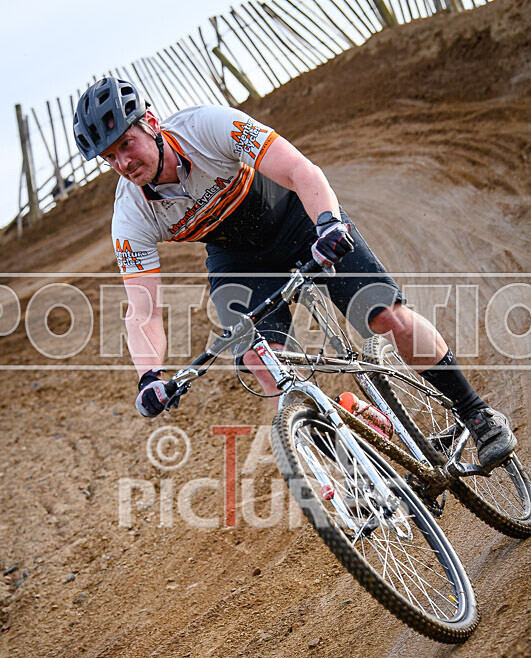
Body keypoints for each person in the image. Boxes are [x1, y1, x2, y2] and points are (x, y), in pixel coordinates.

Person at [74, 77, 516, 471]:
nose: (123, 164)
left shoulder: (208, 127)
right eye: (109, 158)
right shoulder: (130, 217)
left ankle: (476, 413)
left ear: (149, 121)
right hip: (238, 259)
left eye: (126, 145)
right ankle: (366, 472)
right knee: (262, 362)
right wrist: (149, 377)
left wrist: (329, 223)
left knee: (384, 316)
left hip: (298, 220)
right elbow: (143, 311)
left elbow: (301, 170)